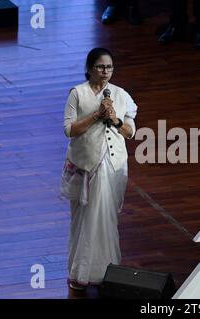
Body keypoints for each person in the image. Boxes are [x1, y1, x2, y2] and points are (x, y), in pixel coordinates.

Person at [61, 48, 138, 291]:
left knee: (107, 218)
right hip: (87, 165)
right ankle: (81, 273)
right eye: (100, 67)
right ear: (89, 68)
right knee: (86, 219)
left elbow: (130, 132)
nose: (105, 72)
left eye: (109, 67)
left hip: (114, 165)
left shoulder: (121, 95)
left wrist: (115, 119)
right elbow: (69, 130)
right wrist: (96, 115)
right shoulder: (77, 94)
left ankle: (107, 272)